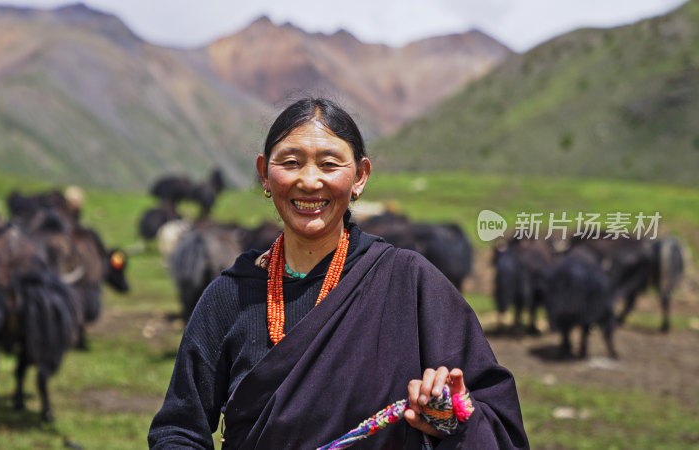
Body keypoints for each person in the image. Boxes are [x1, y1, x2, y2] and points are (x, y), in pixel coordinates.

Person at [148, 98, 529, 449]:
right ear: (264, 174)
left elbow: (494, 422)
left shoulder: (410, 283)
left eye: (329, 164)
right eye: (291, 162)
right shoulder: (231, 295)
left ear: (360, 176)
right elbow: (178, 430)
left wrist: (451, 420)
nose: (310, 181)